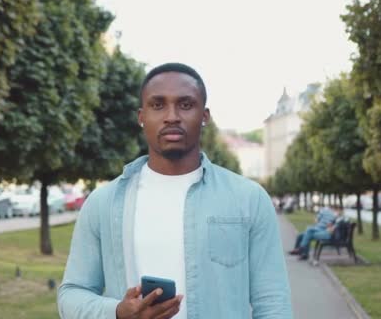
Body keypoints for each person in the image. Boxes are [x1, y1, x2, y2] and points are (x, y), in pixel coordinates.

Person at [57, 63, 292, 319]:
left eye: (186, 104)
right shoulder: (104, 202)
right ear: (141, 116)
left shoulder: (248, 198)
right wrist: (117, 312)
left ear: (205, 116)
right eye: (158, 105)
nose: (172, 116)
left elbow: (272, 302)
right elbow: (72, 294)